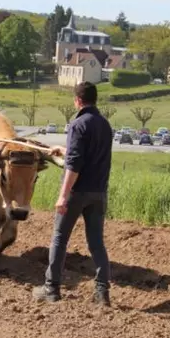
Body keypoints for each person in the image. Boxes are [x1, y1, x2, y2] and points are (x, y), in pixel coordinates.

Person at [33, 81, 113, 306]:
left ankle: (51, 289)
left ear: (78, 100)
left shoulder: (77, 124)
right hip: (99, 192)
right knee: (97, 242)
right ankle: (102, 292)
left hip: (77, 192)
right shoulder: (105, 125)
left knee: (59, 238)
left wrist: (63, 195)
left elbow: (75, 165)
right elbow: (87, 155)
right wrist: (64, 150)